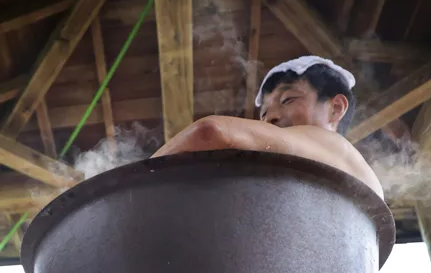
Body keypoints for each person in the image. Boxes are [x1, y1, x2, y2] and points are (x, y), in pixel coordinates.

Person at [154, 55, 383, 198]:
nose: (270, 117)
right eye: (263, 112)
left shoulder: (334, 146)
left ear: (336, 108)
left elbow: (210, 131)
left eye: (288, 100)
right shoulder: (358, 175)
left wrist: (136, 176)